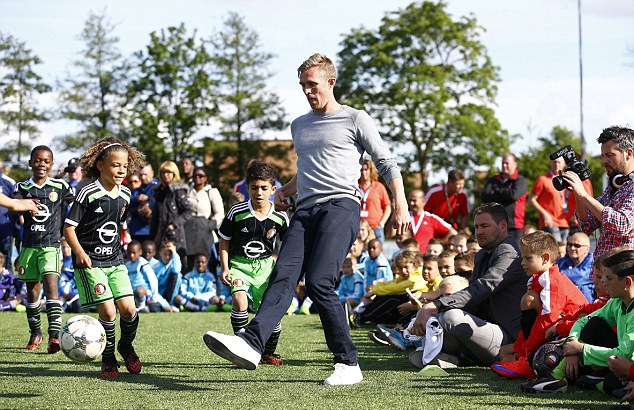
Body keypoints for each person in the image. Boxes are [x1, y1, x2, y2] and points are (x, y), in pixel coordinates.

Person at [203, 53, 410, 385]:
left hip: (341, 207)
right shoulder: (299, 125)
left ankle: (348, 364)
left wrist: (400, 203)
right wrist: (284, 190)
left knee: (319, 282)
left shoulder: (355, 118)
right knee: (282, 276)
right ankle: (251, 343)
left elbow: (386, 162)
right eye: (302, 85)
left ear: (331, 82)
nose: (307, 91)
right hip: (304, 211)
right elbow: (307, 170)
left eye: (312, 84)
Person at [63, 137, 145, 378]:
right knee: (109, 313)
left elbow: (117, 225)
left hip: (115, 261)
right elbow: (69, 228)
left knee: (129, 310)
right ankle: (108, 358)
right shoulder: (88, 192)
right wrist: (79, 253)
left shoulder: (126, 194)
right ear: (100, 165)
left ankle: (125, 346)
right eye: (115, 165)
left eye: (124, 166)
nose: (121, 170)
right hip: (90, 262)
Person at [411, 202, 526, 366]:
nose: (479, 232)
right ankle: (448, 356)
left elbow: (483, 287)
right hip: (485, 329)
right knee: (438, 318)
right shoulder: (481, 255)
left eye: (484, 226)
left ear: (503, 226)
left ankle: (445, 353)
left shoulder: (510, 252)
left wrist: (436, 305)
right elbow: (473, 299)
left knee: (451, 317)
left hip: (509, 339)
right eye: (476, 227)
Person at [521, 248, 634, 396]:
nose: (602, 281)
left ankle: (596, 382)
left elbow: (623, 355)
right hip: (617, 361)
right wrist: (572, 343)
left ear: (627, 282)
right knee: (593, 324)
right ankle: (556, 378)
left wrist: (581, 348)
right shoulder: (616, 302)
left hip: (626, 364)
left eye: (608, 278)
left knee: (611, 384)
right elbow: (583, 321)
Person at [217, 161, 289, 365]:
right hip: (239, 265)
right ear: (247, 188)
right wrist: (225, 267)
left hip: (265, 268)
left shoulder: (280, 217)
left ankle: (268, 352)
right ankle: (240, 348)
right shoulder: (236, 212)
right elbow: (224, 241)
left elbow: (289, 245)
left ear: (273, 189)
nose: (259, 192)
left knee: (271, 313)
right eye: (254, 187)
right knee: (240, 301)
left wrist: (284, 268)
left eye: (264, 188)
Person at [491, 231, 587, 380]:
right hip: (556, 329)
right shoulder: (538, 278)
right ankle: (525, 357)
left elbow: (547, 322)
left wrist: (525, 354)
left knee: (530, 299)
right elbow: (534, 323)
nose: (522, 263)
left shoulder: (553, 282)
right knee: (504, 352)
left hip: (571, 333)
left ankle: (530, 364)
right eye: (522, 258)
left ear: (545, 258)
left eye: (528, 258)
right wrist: (519, 348)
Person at [13, 146, 74, 353]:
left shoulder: (60, 186)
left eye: (46, 161)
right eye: (38, 160)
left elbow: (76, 205)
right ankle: (35, 333)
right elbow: (14, 209)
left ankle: (54, 336)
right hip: (29, 246)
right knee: (32, 293)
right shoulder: (22, 187)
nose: (42, 164)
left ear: (52, 164)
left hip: (51, 246)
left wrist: (69, 232)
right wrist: (24, 204)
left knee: (51, 288)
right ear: (30, 163)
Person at [566, 126, 634, 258]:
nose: (604, 161)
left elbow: (622, 224)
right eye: (603, 156)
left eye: (610, 155)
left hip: (624, 268)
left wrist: (583, 194)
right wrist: (577, 193)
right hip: (603, 267)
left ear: (629, 153)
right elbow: (587, 224)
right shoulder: (614, 185)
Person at [151, 161, 194, 262]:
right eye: (163, 172)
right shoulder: (159, 191)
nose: (166, 175)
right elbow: (156, 217)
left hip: (175, 235)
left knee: (176, 264)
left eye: (169, 172)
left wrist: (174, 224)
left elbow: (188, 211)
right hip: (160, 235)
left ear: (174, 174)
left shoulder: (178, 190)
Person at [184, 166, 224, 273]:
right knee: (189, 263)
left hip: (205, 231)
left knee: (206, 262)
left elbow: (220, 213)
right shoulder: (186, 190)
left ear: (206, 178)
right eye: (195, 175)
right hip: (189, 230)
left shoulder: (211, 192)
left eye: (201, 176)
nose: (197, 178)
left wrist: (211, 224)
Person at [482, 153, 528, 240]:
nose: (504, 165)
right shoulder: (493, 180)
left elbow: (513, 195)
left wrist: (496, 192)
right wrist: (506, 193)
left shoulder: (520, 181)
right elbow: (485, 197)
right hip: (495, 224)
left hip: (514, 226)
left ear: (515, 164)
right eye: (503, 163)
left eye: (507, 163)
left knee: (514, 248)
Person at [401, 189, 456, 253]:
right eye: (410, 200)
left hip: (426, 256)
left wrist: (439, 243)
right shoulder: (404, 217)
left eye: (414, 200)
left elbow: (453, 232)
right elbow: (391, 234)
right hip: (408, 255)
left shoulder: (431, 218)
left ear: (423, 201)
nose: (411, 203)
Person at [358, 159, 391, 242]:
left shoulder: (379, 187)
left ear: (371, 171)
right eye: (361, 170)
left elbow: (387, 207)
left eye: (366, 170)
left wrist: (382, 223)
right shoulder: (356, 186)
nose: (363, 172)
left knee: (376, 249)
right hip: (359, 228)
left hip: (375, 227)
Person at [556, 232, 594, 302]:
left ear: (587, 249)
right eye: (570, 245)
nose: (572, 248)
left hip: (586, 304)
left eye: (577, 245)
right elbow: (550, 271)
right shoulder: (562, 261)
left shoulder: (593, 263)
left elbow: (580, 277)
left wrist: (558, 275)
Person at [128, 164, 159, 243]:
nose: (143, 177)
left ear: (152, 173)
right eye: (141, 175)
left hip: (151, 230)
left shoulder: (158, 187)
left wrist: (149, 204)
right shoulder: (137, 187)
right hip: (135, 230)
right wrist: (137, 198)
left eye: (145, 174)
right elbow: (128, 203)